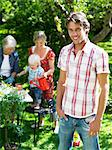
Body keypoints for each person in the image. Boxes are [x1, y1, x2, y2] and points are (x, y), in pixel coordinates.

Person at [56, 12, 110, 150]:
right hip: (66, 116)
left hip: (88, 118)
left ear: (86, 29)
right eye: (71, 30)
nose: (74, 34)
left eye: (78, 29)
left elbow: (104, 87)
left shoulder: (99, 54)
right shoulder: (65, 51)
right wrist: (58, 108)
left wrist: (98, 119)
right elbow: (61, 81)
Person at [29, 31, 57, 128]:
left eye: (41, 43)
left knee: (50, 101)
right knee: (39, 100)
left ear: (44, 41)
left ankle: (55, 123)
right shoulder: (32, 50)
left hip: (46, 81)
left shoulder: (49, 52)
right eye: (37, 43)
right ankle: (40, 122)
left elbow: (52, 69)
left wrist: (45, 74)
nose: (39, 45)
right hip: (36, 81)